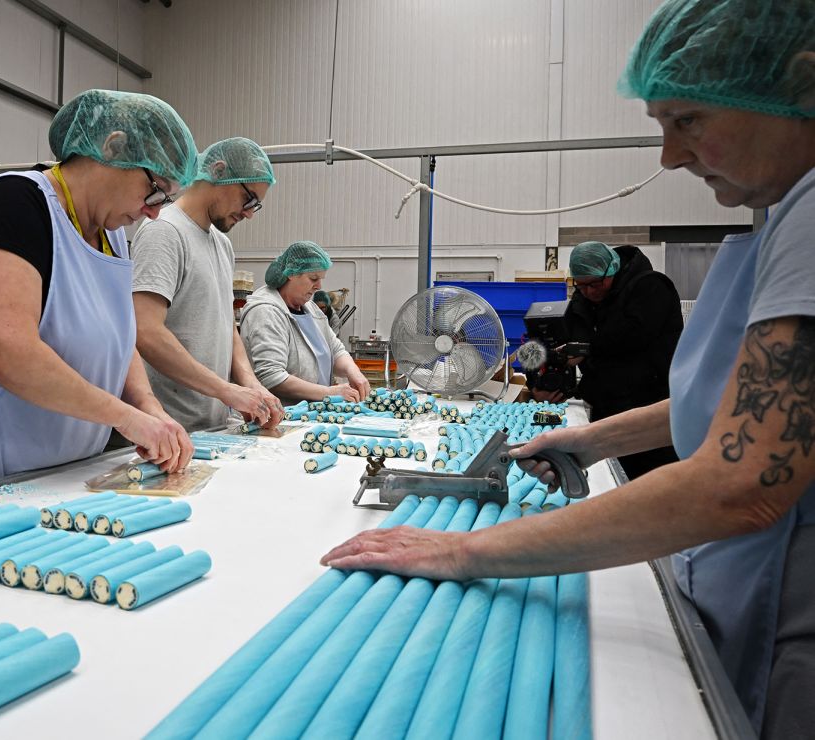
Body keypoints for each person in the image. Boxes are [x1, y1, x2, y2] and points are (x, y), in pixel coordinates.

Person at [322, 1, 815, 735]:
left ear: (800, 86)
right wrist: (594, 439)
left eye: (687, 120)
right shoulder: (784, 216)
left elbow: (741, 482)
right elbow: (732, 408)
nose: (670, 156)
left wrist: (465, 552)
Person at [0, 89, 198, 492]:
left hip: (59, 474)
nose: (156, 210)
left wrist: (150, 409)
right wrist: (126, 418)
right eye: (155, 188)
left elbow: (118, 340)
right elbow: (8, 351)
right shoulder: (14, 203)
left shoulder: (112, 235)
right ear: (113, 148)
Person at [131, 137, 284, 432]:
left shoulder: (222, 244)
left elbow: (227, 327)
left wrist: (251, 387)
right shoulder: (164, 230)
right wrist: (226, 390)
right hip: (165, 430)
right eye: (248, 198)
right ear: (218, 171)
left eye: (257, 205)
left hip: (210, 428)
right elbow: (146, 331)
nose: (250, 212)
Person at [534, 240, 683, 478]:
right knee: (612, 478)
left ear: (612, 269)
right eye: (581, 286)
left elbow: (633, 337)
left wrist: (586, 348)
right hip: (608, 409)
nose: (590, 291)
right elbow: (574, 343)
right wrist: (553, 382)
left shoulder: (650, 287)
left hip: (652, 411)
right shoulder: (583, 300)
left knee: (655, 481)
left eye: (595, 283)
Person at [239, 241, 371, 404]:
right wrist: (329, 392)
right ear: (291, 274)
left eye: (321, 279)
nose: (319, 286)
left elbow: (336, 350)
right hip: (276, 418)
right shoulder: (266, 312)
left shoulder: (311, 309)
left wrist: (353, 372)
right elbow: (271, 376)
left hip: (310, 416)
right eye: (313, 278)